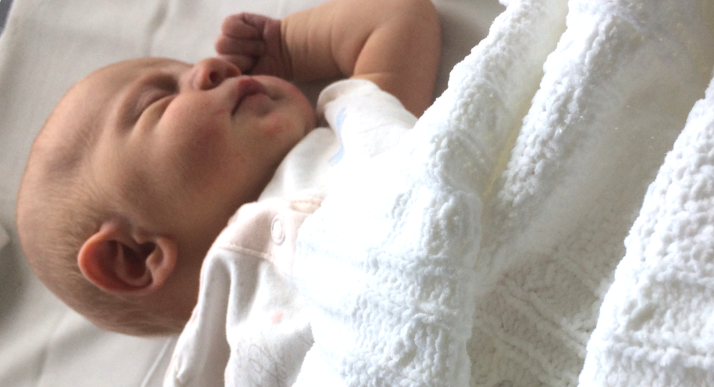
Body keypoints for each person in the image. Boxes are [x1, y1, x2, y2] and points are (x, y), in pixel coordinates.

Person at [16, 0, 440, 337]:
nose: (212, 67)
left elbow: (398, 16)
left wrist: (287, 48)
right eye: (156, 101)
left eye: (187, 70)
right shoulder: (221, 358)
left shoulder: (345, 141)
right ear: (133, 256)